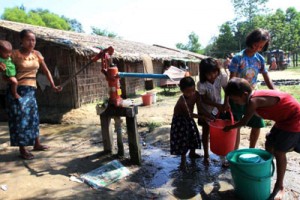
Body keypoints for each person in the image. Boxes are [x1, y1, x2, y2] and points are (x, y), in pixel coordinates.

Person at [223, 77, 300, 200]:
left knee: (280, 151)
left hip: (294, 118)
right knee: (269, 142)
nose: (236, 103)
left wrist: (229, 127)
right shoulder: (252, 98)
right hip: (283, 119)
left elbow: (244, 122)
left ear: (245, 94)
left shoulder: (254, 101)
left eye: (236, 100)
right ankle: (264, 172)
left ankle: (279, 186)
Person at [3, 29, 62, 160]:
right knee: (20, 119)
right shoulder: (13, 55)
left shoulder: (37, 54)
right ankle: (23, 149)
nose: (32, 42)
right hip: (18, 90)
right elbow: (5, 74)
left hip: (31, 90)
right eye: (28, 39)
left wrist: (53, 85)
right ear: (22, 41)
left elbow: (46, 71)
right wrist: (11, 81)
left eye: (33, 40)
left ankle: (37, 144)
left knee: (33, 117)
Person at [228, 28, 275, 149]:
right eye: (256, 44)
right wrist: (227, 100)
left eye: (261, 46)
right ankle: (235, 152)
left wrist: (275, 92)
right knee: (236, 126)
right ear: (250, 41)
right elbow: (231, 80)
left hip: (253, 97)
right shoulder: (238, 58)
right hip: (238, 98)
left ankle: (252, 151)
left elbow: (266, 77)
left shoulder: (260, 59)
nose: (257, 48)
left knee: (257, 125)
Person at [170, 76, 211, 169]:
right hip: (179, 120)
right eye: (188, 92)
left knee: (193, 134)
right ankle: (183, 161)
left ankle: (192, 153)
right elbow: (189, 114)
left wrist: (208, 115)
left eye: (192, 90)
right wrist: (202, 117)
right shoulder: (182, 100)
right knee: (183, 139)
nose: (191, 93)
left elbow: (200, 108)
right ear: (182, 91)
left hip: (189, 118)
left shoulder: (196, 94)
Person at [197, 58, 229, 166]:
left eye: (215, 72)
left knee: (220, 131)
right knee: (206, 131)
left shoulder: (222, 77)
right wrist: (218, 105)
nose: (213, 76)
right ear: (203, 74)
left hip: (218, 109)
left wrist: (226, 103)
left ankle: (223, 157)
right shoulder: (201, 84)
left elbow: (227, 90)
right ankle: (206, 155)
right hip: (205, 110)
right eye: (209, 74)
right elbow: (204, 100)